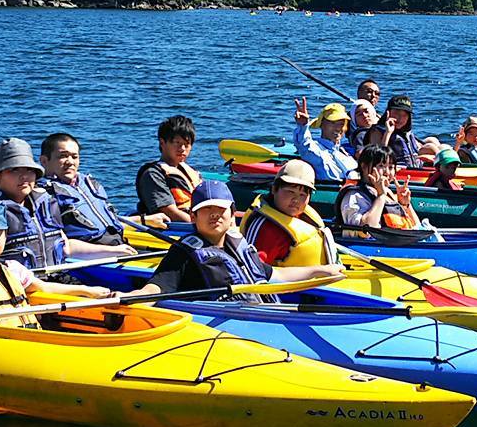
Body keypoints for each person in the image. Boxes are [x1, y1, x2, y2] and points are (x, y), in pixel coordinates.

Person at [147, 180, 341, 303]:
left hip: (259, 315)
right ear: (193, 216)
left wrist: (320, 270)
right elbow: (156, 288)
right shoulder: (183, 254)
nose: (215, 214)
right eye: (206, 209)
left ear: (232, 215)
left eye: (220, 209)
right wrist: (126, 298)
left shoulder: (238, 246)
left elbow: (274, 274)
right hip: (223, 323)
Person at [0, 200, 112, 325]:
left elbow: (44, 288)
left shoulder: (14, 269)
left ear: (6, 236)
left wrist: (87, 291)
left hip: (23, 334)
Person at [0, 137, 128, 268]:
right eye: (15, 171)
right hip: (27, 284)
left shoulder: (46, 203)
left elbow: (66, 246)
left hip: (59, 275)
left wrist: (116, 251)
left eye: (29, 171)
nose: (24, 177)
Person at [39, 131, 136, 252]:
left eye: (74, 157)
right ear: (44, 161)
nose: (70, 162)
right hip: (92, 253)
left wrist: (142, 220)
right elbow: (60, 243)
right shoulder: (44, 195)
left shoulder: (86, 182)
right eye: (63, 156)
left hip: (118, 243)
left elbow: (112, 218)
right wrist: (111, 251)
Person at [242, 159, 339, 265]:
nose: (296, 200)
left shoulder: (303, 216)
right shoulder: (266, 228)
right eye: (290, 192)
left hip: (321, 277)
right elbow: (252, 272)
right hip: (298, 279)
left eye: (302, 195)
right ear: (274, 189)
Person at [134, 115, 203, 224]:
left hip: (199, 220)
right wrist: (203, 226)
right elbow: (170, 212)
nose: (182, 149)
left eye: (187, 144)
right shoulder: (153, 174)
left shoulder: (190, 171)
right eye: (177, 143)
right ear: (162, 143)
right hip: (177, 229)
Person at [337, 145, 422, 229]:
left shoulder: (388, 193)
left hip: (399, 240)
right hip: (372, 242)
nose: (387, 172)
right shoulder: (354, 195)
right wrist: (381, 196)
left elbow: (417, 228)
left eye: (391, 167)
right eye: (381, 166)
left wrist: (405, 205)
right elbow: (366, 229)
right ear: (364, 167)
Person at [291, 97, 357, 181]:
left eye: (341, 124)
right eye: (333, 123)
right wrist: (303, 126)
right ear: (321, 124)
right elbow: (304, 143)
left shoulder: (345, 153)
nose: (337, 128)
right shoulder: (315, 149)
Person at [361, 93, 438, 165]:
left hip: (415, 170)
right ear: (388, 112)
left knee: (434, 144)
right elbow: (377, 158)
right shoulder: (376, 131)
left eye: (404, 115)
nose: (400, 118)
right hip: (395, 171)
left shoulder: (406, 132)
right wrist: (388, 133)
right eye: (396, 113)